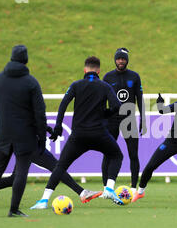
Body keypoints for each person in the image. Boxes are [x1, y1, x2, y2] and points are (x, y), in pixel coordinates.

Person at [45, 56, 125, 205]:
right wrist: (104, 114)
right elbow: (117, 107)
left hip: (78, 136)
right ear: (99, 71)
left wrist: (58, 127)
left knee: (61, 166)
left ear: (84, 69)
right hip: (99, 134)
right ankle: (109, 188)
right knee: (116, 155)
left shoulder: (76, 85)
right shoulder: (105, 86)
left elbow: (63, 105)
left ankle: (44, 199)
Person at [0, 45, 47, 217]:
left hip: (4, 134)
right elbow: (39, 113)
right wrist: (42, 137)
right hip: (25, 135)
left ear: (11, 58)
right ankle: (13, 209)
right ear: (26, 60)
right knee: (21, 172)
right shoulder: (31, 82)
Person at [0, 128, 102, 209]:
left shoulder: (11, 101)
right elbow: (36, 118)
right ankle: (82, 193)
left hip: (21, 144)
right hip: (31, 144)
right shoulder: (25, 97)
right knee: (58, 168)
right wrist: (48, 129)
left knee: (14, 179)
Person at [102, 48, 146, 194]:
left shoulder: (134, 77)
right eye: (118, 58)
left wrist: (143, 119)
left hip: (129, 120)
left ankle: (134, 188)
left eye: (123, 58)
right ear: (115, 60)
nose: (121, 61)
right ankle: (106, 188)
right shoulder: (108, 77)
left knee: (133, 154)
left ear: (127, 60)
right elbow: (102, 100)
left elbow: (139, 98)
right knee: (108, 154)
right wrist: (102, 118)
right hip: (112, 120)